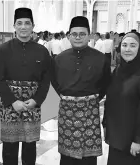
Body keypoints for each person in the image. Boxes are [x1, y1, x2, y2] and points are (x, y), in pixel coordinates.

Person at [0, 8, 51, 165]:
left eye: (27, 23)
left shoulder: (42, 51)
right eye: (19, 23)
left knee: (30, 147)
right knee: (9, 147)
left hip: (32, 105)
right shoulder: (3, 50)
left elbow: (46, 80)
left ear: (33, 26)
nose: (23, 27)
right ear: (14, 26)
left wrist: (36, 100)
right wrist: (12, 101)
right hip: (9, 105)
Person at [51, 16, 111, 165]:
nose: (78, 37)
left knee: (88, 158)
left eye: (82, 34)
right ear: (69, 36)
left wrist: (90, 100)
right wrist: (68, 98)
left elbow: (105, 83)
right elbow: (54, 81)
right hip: (67, 112)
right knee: (67, 156)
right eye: (74, 34)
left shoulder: (101, 58)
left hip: (90, 111)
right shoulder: (59, 59)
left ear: (89, 35)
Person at [102, 32, 140, 165]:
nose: (127, 49)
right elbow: (110, 101)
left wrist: (138, 140)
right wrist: (105, 125)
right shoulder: (118, 70)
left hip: (133, 141)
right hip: (116, 137)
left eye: (133, 45)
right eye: (124, 45)